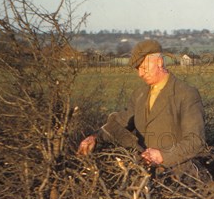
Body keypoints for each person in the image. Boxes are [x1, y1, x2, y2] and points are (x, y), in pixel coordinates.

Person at [77, 40, 206, 176]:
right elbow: (119, 123)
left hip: (179, 177)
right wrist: (95, 137)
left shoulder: (186, 93)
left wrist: (163, 156)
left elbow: (195, 141)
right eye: (138, 69)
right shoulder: (139, 94)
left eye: (143, 67)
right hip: (145, 176)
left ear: (159, 62)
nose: (140, 74)